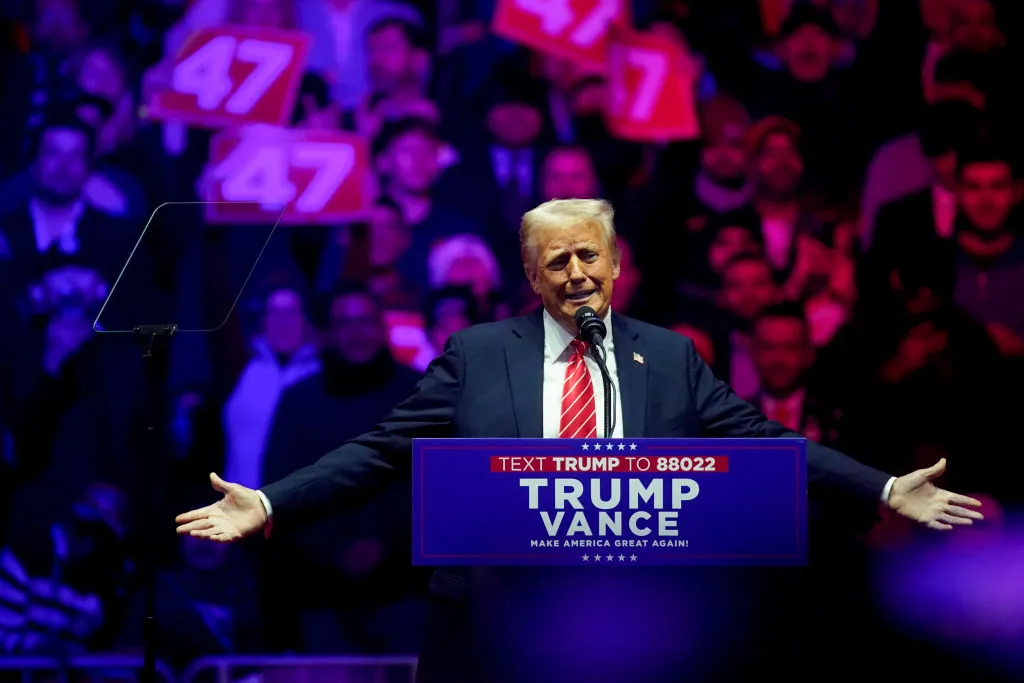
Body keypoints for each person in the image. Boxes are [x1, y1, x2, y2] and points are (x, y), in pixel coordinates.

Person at [177, 199, 984, 683]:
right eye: (554, 260)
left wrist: (881, 486)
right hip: (493, 624)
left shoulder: (668, 357)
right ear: (531, 276)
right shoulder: (477, 354)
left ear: (617, 264)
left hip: (631, 621)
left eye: (587, 255)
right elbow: (379, 450)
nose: (574, 273)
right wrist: (272, 501)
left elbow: (765, 442)